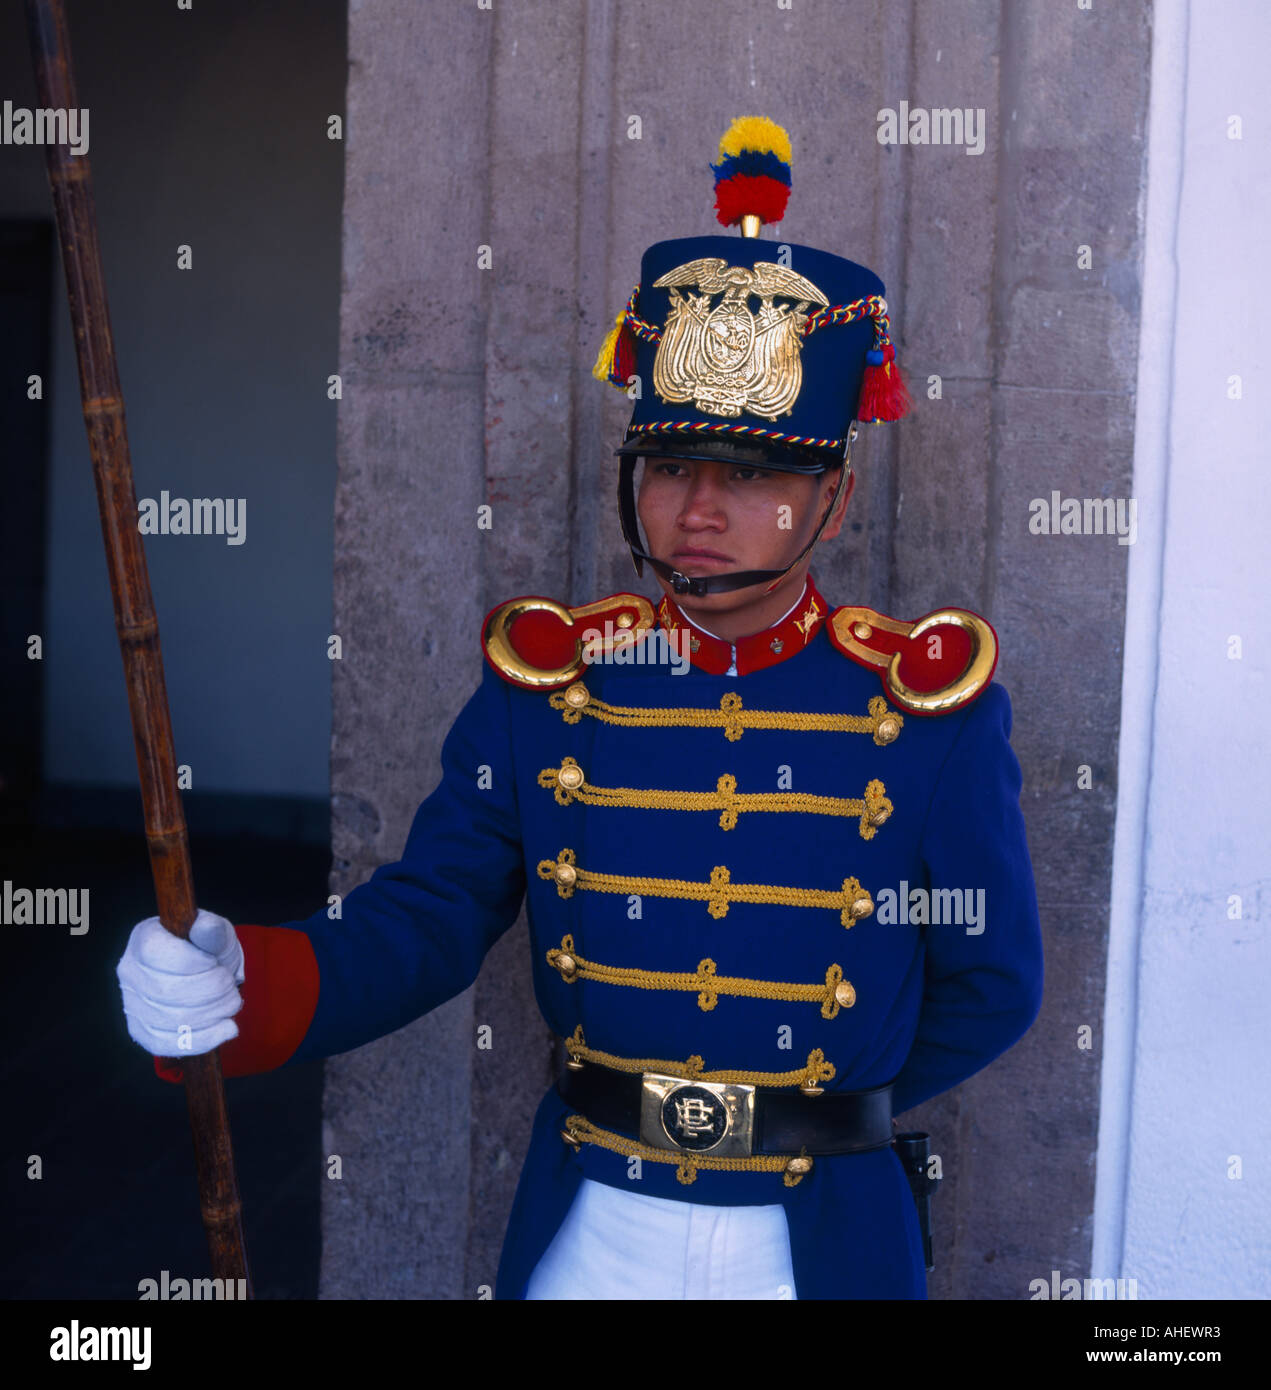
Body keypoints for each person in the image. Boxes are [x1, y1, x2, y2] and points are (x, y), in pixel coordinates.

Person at [116, 117, 1043, 1300]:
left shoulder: (925, 708)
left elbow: (991, 985)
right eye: (668, 468)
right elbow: (431, 914)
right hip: (595, 1226)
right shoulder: (550, 688)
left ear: (834, 500)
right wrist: (244, 978)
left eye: (750, 477)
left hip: (818, 1235)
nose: (698, 507)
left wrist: (818, 1102)